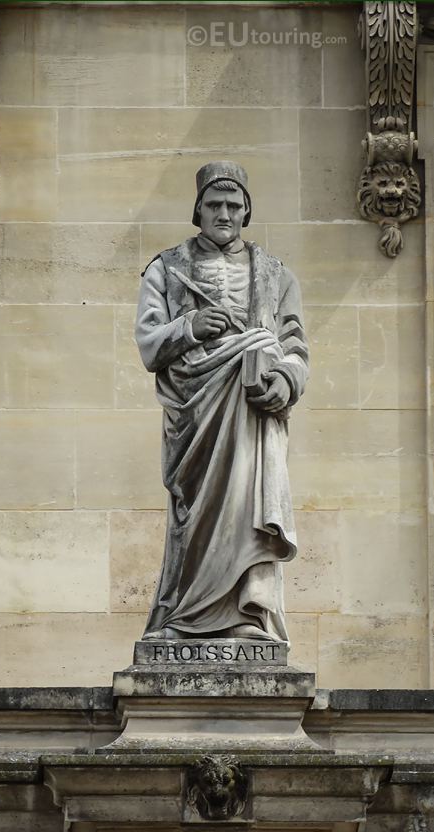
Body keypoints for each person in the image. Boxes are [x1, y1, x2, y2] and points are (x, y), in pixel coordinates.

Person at [136, 161, 308, 642]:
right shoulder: (165, 268)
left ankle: (249, 614)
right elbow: (149, 342)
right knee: (198, 513)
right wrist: (190, 328)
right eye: (214, 205)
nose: (224, 214)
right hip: (196, 410)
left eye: (234, 206)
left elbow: (295, 346)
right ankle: (185, 615)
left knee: (248, 503)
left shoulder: (275, 274)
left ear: (247, 211)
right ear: (198, 210)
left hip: (252, 413)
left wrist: (286, 381)